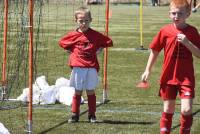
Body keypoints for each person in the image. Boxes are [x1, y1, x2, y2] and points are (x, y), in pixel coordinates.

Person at [141, 0, 200, 133]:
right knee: (168, 109)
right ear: (169, 14)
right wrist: (147, 70)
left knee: (186, 109)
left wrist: (187, 42)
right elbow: (155, 50)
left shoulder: (192, 31)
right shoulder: (165, 31)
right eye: (173, 13)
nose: (176, 16)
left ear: (188, 14)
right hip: (168, 77)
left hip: (186, 78)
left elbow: (199, 54)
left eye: (180, 13)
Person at [59, 6, 113, 123]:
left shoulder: (95, 35)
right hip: (78, 67)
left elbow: (108, 41)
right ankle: (75, 114)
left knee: (90, 91)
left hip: (91, 67)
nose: (84, 23)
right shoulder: (72, 35)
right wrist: (70, 50)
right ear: (76, 21)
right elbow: (62, 42)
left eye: (86, 20)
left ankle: (92, 115)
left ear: (91, 20)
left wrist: (101, 47)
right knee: (78, 91)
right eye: (81, 21)